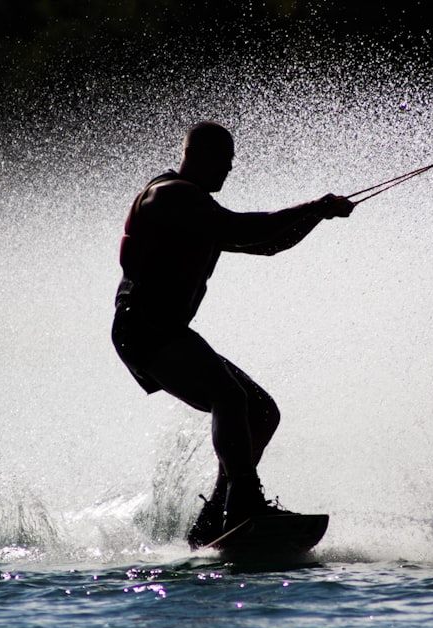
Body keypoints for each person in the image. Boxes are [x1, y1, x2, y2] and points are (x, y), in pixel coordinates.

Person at [112, 120, 354, 548]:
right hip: (144, 326)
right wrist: (315, 206)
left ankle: (214, 522)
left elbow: (268, 244)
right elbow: (247, 229)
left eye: (232, 162)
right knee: (231, 396)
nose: (229, 170)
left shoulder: (198, 208)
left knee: (260, 411)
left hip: (163, 329)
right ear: (198, 155)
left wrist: (318, 216)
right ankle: (243, 501)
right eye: (224, 161)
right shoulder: (171, 196)